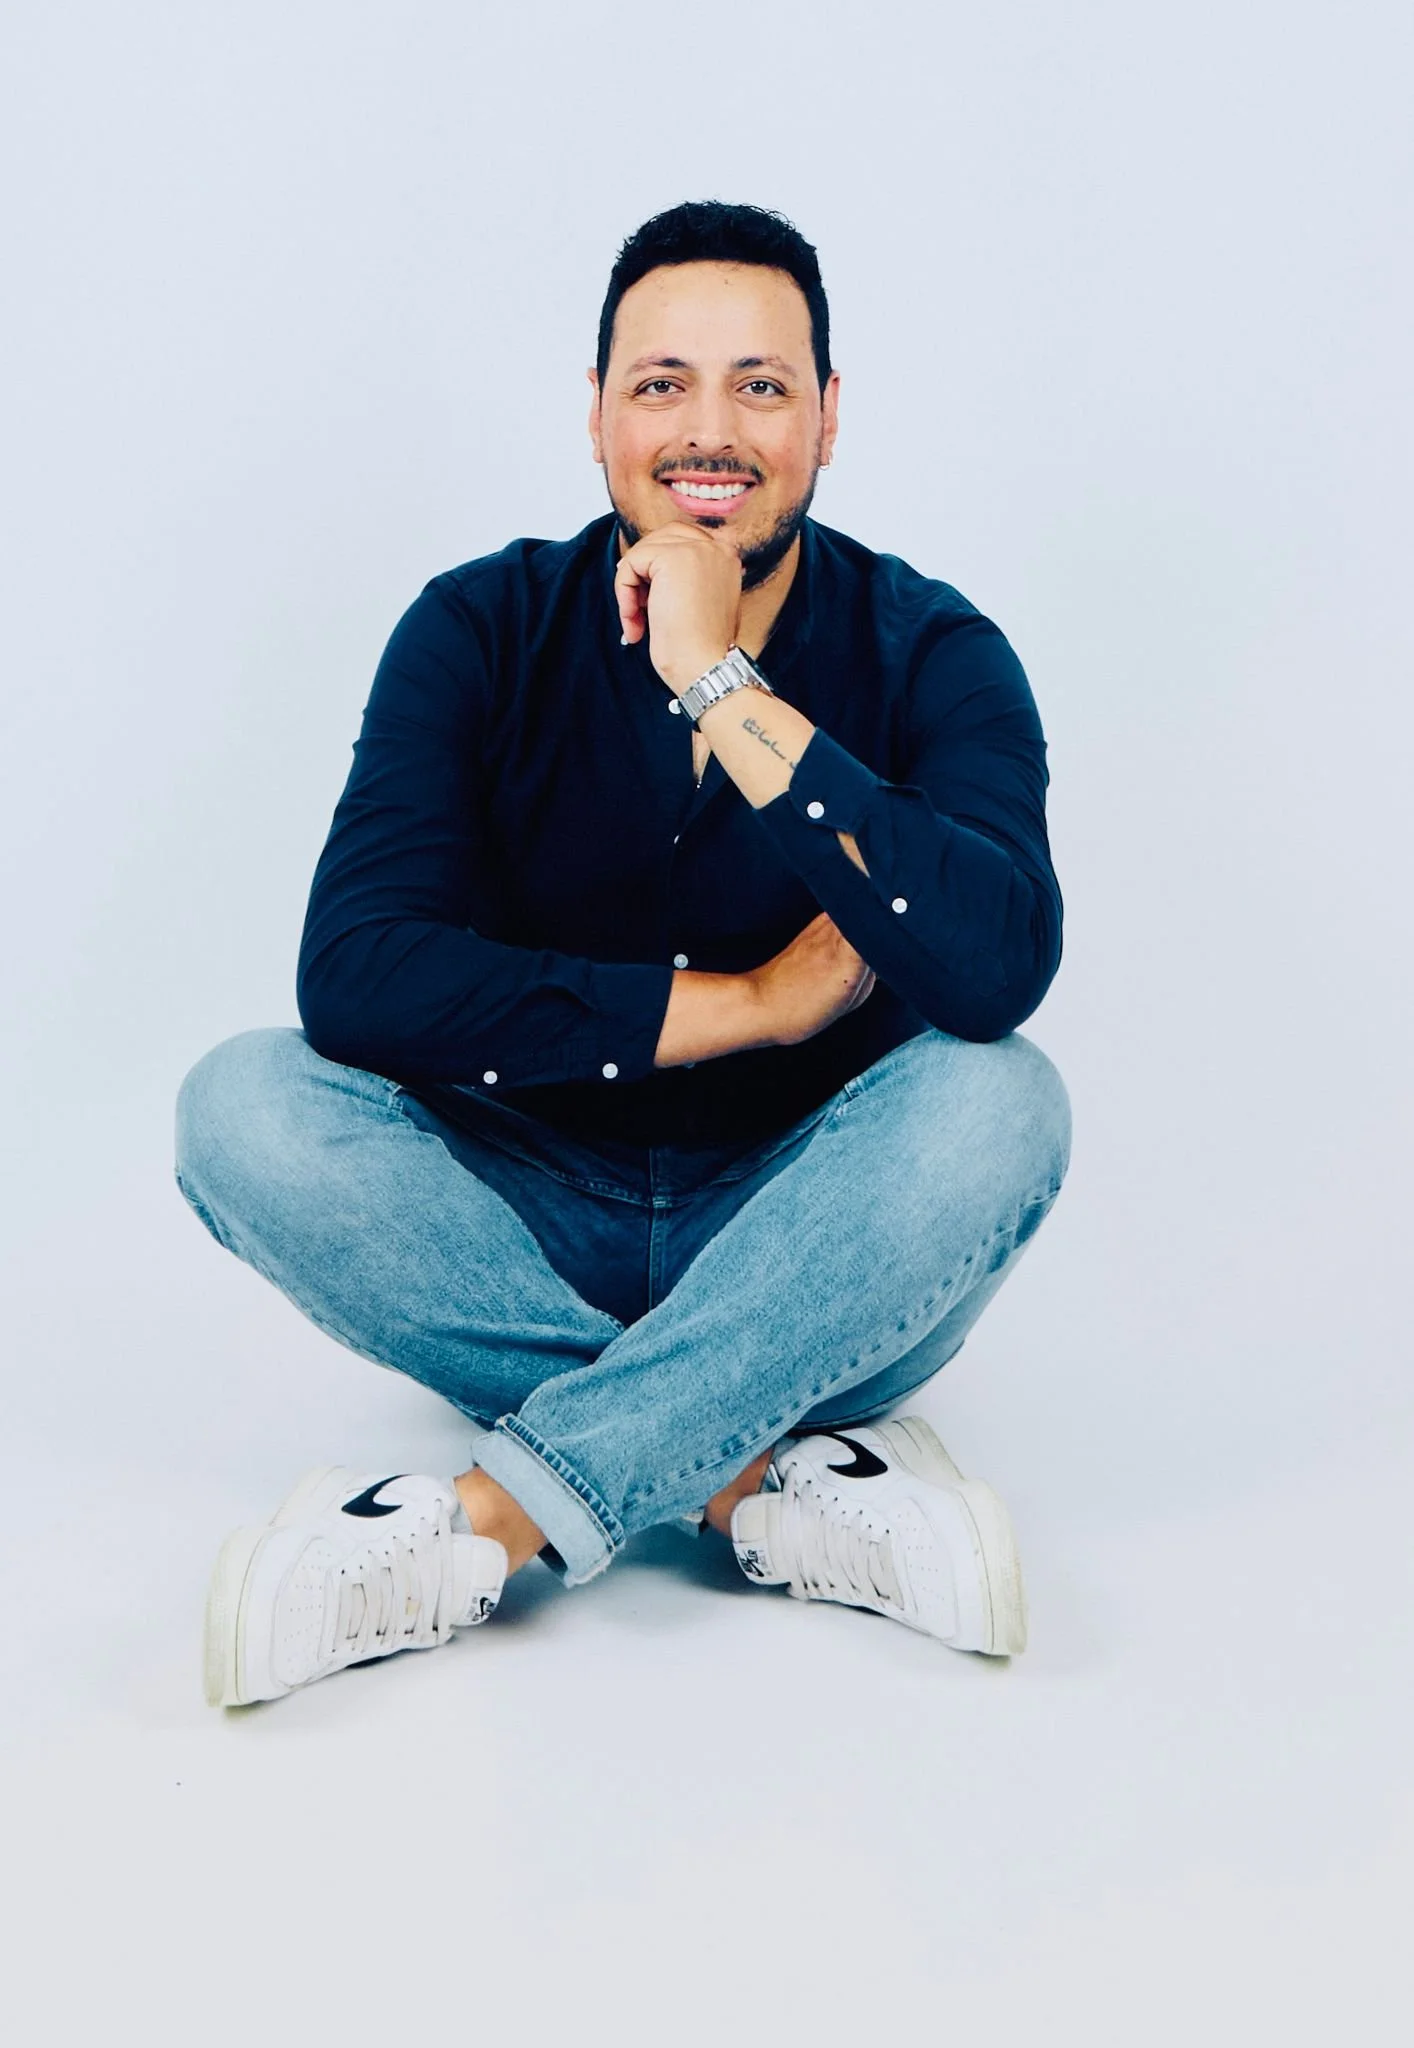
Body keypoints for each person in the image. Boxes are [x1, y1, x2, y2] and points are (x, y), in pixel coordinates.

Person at [175, 199, 1072, 1710]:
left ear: (828, 420)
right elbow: (359, 977)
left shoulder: (936, 649)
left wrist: (718, 682)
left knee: (1004, 1103)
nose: (707, 431)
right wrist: (742, 1007)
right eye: (662, 383)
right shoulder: (474, 627)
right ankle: (749, 1482)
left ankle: (485, 1519)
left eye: (760, 385)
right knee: (242, 1105)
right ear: (595, 414)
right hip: (515, 1217)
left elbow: (989, 969)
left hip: (808, 1248)